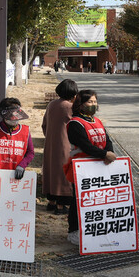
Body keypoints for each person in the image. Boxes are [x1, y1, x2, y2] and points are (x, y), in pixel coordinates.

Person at [64, 89, 116, 246]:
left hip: (100, 166)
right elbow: (85, 146)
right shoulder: (75, 123)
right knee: (78, 200)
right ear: (80, 104)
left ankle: (92, 228)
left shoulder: (97, 121)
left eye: (95, 101)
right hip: (82, 167)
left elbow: (107, 140)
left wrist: (109, 152)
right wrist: (104, 154)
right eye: (89, 102)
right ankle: (74, 231)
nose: (93, 104)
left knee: (97, 199)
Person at [41, 79, 77, 215]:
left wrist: (50, 136)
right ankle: (61, 205)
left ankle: (51, 202)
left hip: (51, 143)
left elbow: (44, 125)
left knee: (51, 172)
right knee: (64, 173)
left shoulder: (51, 104)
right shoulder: (70, 107)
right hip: (65, 144)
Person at [0, 97, 34, 180]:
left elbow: (31, 152)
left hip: (16, 175)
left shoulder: (25, 130)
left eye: (17, 117)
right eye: (11, 117)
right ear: (4, 116)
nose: (15, 120)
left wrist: (22, 165)